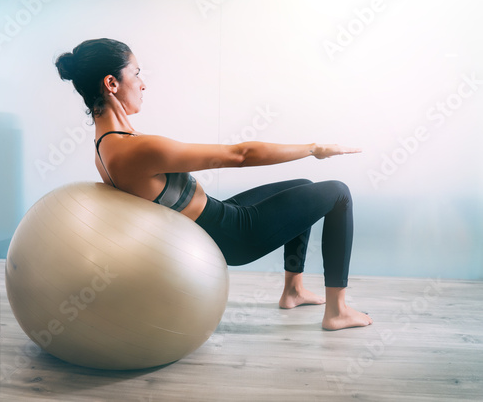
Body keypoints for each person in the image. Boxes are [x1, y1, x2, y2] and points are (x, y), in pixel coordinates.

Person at [55, 38, 372, 331]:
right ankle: (337, 310)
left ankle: (293, 291)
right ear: (112, 83)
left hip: (218, 217)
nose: (143, 84)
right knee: (338, 193)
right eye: (136, 74)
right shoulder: (135, 150)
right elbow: (240, 155)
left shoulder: (106, 146)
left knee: (302, 185)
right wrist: (314, 149)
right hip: (232, 236)